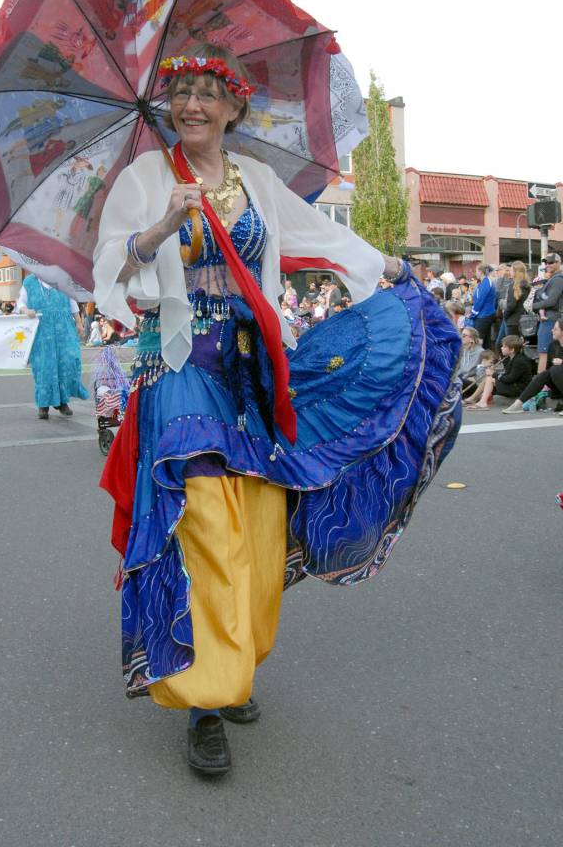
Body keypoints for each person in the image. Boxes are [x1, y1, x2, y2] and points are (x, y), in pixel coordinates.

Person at [92, 43, 461, 777]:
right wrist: (162, 225)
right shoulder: (145, 176)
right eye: (182, 92)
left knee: (259, 528)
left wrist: (392, 270)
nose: (192, 105)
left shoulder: (256, 180)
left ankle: (233, 665)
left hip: (254, 369)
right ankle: (203, 695)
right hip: (179, 368)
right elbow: (111, 266)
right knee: (205, 526)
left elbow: (321, 238)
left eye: (207, 92)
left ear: (234, 108)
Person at [16, 275, 88, 419]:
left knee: (68, 362)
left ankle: (62, 401)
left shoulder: (62, 279)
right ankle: (43, 405)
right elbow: (21, 303)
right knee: (45, 367)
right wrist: (26, 311)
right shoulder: (29, 282)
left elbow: (72, 303)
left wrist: (79, 322)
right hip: (41, 330)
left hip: (64, 328)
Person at [502, 320, 563, 413]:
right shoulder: (553, 345)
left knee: (555, 369)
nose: (552, 330)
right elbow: (548, 369)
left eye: (555, 329)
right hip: (558, 385)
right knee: (545, 373)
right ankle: (519, 403)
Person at [465, 335, 531, 410]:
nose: (501, 348)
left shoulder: (519, 361)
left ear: (512, 350)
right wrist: (494, 374)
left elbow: (510, 378)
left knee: (490, 378)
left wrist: (494, 374)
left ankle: (482, 402)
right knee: (489, 378)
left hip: (518, 389)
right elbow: (507, 375)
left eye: (504, 347)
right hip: (513, 386)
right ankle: (474, 399)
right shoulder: (510, 358)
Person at [531, 253, 563, 372]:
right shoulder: (553, 279)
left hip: (551, 320)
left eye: (551, 262)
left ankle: (542, 386)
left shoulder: (558, 280)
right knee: (548, 353)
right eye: (546, 262)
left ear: (558, 263)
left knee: (544, 353)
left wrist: (532, 306)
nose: (548, 265)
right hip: (550, 319)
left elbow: (551, 301)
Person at [467, 263, 498, 348]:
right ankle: (485, 358)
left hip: (484, 315)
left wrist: (473, 313)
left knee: (478, 339)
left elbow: (480, 300)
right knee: (486, 341)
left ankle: (479, 358)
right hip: (484, 314)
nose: (475, 273)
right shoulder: (484, 282)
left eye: (476, 271)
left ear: (480, 272)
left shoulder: (486, 282)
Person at [502, 260, 530, 337]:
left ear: (515, 272)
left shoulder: (514, 286)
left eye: (511, 270)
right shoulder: (528, 286)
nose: (509, 272)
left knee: (510, 345)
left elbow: (511, 305)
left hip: (513, 321)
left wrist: (505, 315)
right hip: (525, 320)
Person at [458, 327, 483, 397]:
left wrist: (475, 378)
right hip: (461, 379)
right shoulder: (462, 351)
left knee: (457, 381)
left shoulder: (480, 352)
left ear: (472, 339)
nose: (461, 337)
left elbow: (483, 373)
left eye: (464, 335)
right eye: (461, 334)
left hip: (473, 383)